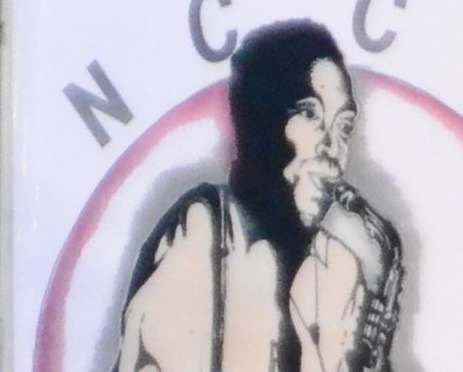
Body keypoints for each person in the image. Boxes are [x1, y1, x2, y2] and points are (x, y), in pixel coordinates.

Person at [110, 20, 402, 372]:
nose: (332, 150)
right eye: (310, 114)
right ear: (262, 122)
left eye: (343, 127)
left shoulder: (337, 265)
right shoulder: (203, 227)